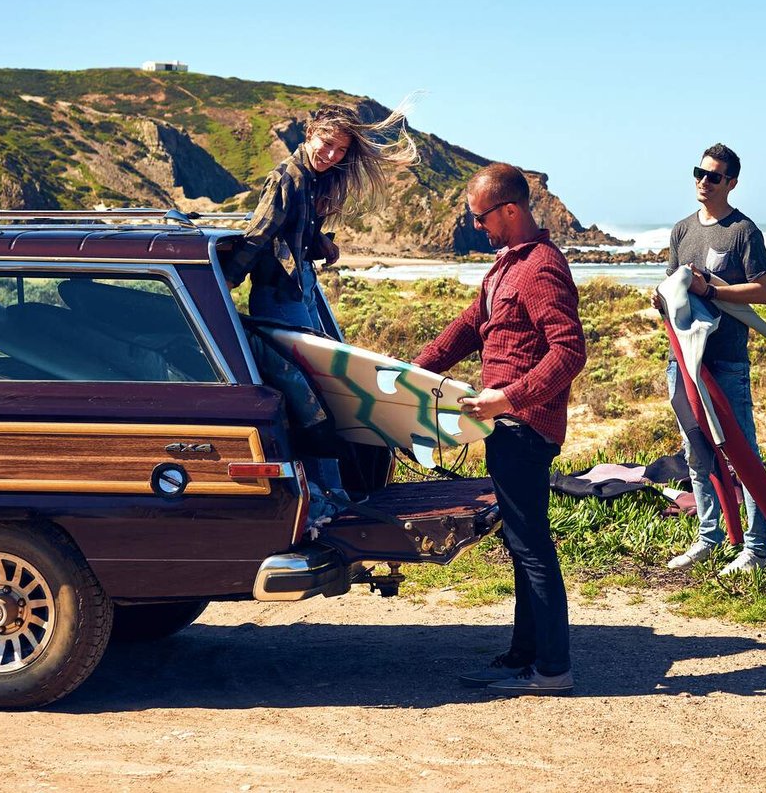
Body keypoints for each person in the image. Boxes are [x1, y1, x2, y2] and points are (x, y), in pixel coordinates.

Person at [413, 163, 586, 695]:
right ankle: (523, 655)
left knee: (530, 543)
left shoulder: (540, 269)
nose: (476, 226)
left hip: (522, 425)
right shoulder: (506, 266)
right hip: (505, 423)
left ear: (510, 210)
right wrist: (412, 375)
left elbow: (569, 350)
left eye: (480, 217)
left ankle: (552, 669)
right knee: (520, 540)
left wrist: (509, 398)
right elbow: (470, 326)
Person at [227, 102, 416, 496]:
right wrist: (222, 285)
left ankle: (335, 487)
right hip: (280, 295)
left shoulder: (311, 179)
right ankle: (326, 492)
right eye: (326, 144)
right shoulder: (286, 178)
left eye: (340, 151)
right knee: (307, 393)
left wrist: (322, 244)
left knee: (321, 385)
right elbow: (258, 235)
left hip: (302, 288)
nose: (331, 155)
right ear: (309, 133)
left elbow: (293, 232)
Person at [655, 143, 766, 577]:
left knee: (742, 453)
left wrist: (712, 291)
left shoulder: (743, 231)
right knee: (697, 452)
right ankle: (710, 537)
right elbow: (674, 286)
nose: (703, 182)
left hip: (725, 362)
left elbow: (762, 291)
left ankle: (758, 549)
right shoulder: (682, 230)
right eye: (699, 173)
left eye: (714, 177)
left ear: (732, 183)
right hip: (682, 361)